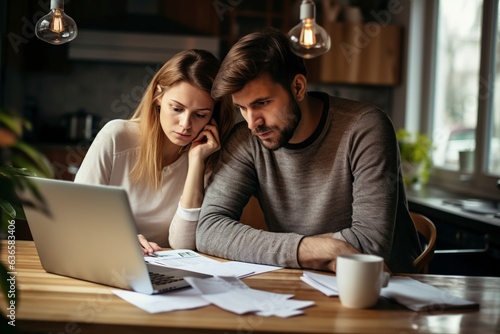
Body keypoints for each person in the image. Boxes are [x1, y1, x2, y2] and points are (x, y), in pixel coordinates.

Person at [196, 29, 422, 273]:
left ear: (298, 87)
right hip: (304, 283)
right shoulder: (246, 141)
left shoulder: (365, 128)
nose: (252, 123)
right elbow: (209, 229)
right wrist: (314, 249)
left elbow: (369, 246)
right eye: (242, 107)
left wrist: (284, 250)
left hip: (386, 291)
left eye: (262, 103)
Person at [75, 49, 234, 254]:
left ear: (213, 115)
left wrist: (196, 163)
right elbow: (78, 216)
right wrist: (119, 237)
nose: (186, 124)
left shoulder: (208, 155)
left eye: (200, 115)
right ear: (158, 96)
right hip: (105, 258)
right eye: (177, 109)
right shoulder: (116, 137)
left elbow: (182, 244)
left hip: (167, 269)